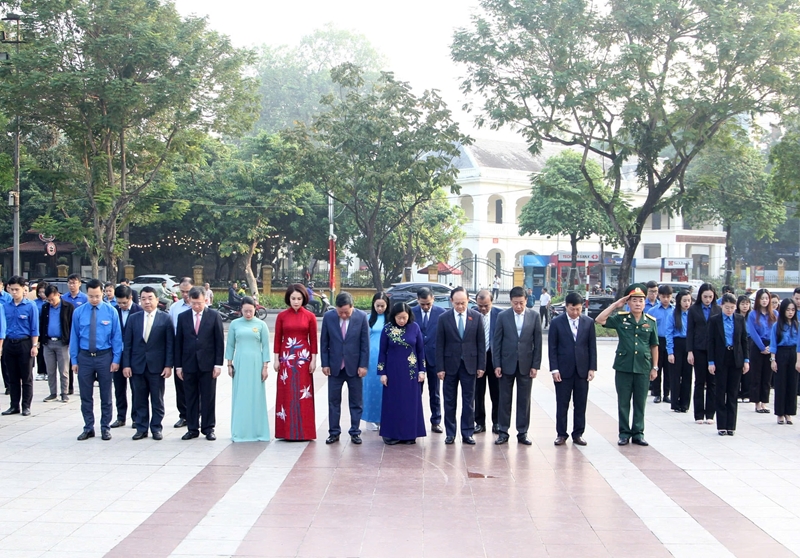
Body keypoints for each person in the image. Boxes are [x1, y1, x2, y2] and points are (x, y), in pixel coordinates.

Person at [596, 284, 659, 446]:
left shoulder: (651, 322)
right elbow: (599, 319)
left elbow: (654, 345)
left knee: (640, 401)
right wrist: (616, 304)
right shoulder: (621, 319)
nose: (638, 304)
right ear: (628, 303)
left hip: (643, 367)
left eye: (641, 301)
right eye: (634, 301)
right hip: (623, 367)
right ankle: (624, 433)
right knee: (623, 401)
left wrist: (655, 367)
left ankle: (638, 433)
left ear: (645, 303)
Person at [70, 279, 123, 440]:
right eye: (91, 296)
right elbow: (74, 337)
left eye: (98, 296)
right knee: (86, 395)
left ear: (103, 293)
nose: (94, 299)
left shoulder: (111, 311)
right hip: (85, 357)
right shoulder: (78, 312)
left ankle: (105, 427)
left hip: (104, 357)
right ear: (87, 294)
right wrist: (74, 361)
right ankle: (88, 427)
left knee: (105, 395)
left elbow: (116, 337)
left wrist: (116, 359)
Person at [121, 286, 174, 440]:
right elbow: (128, 344)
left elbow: (170, 344)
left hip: (157, 366)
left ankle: (156, 428)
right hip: (137, 366)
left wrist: (168, 365)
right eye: (143, 298)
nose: (147, 302)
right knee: (139, 398)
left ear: (157, 300)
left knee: (157, 399)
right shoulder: (133, 318)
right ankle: (141, 428)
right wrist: (126, 365)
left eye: (150, 298)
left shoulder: (165, 318)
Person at [436, 286, 485, 445]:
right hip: (449, 365)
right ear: (451, 301)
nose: (460, 306)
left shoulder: (476, 317)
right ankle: (450, 433)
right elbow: (440, 345)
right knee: (449, 401)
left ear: (468, 300)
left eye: (463, 303)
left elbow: (480, 343)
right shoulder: (444, 318)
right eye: (457, 303)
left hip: (470, 364)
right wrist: (440, 367)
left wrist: (481, 366)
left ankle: (467, 432)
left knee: (468, 401)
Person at [174, 286, 224, 441]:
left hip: (208, 364)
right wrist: (179, 366)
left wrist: (218, 365)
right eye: (193, 303)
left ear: (206, 300)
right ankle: (192, 428)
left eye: (199, 303)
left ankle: (208, 428)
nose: (196, 306)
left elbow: (219, 342)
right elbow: (179, 343)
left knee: (208, 396)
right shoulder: (183, 317)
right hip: (188, 364)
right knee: (190, 397)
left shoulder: (214, 316)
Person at [493, 285, 541, 445]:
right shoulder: (503, 316)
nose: (518, 306)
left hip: (526, 364)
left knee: (524, 400)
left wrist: (535, 365)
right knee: (504, 399)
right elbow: (497, 342)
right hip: (506, 363)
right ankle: (503, 431)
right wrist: (497, 364)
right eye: (515, 303)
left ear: (526, 301)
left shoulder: (534, 316)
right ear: (510, 302)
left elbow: (538, 343)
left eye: (521, 303)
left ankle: (522, 432)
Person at [320, 292, 369, 445]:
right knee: (333, 401)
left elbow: (365, 344)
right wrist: (325, 363)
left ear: (352, 308)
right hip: (334, 367)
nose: (343, 315)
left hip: (354, 367)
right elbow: (324, 342)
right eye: (340, 312)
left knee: (356, 401)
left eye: (346, 312)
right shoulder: (329, 317)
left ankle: (355, 431)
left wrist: (363, 365)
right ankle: (334, 432)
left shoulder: (361, 317)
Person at [549, 292, 597, 446]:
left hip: (582, 370)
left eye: (578, 309)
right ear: (566, 307)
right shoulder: (557, 322)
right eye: (572, 309)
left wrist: (592, 367)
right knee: (562, 403)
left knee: (580, 403)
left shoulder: (588, 322)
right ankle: (561, 434)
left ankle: (578, 433)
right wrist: (554, 369)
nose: (575, 312)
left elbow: (592, 347)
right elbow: (552, 348)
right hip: (563, 370)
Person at [377, 302, 427, 444]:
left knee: (410, 403)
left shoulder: (415, 328)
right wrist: (383, 372)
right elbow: (382, 351)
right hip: (392, 371)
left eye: (404, 318)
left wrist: (422, 371)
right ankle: (392, 434)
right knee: (393, 402)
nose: (402, 321)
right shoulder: (387, 329)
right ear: (394, 316)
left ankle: (409, 434)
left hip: (411, 371)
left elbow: (420, 350)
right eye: (399, 318)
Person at [273, 284, 318, 441]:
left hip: (303, 358)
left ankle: (305, 431)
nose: (296, 302)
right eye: (293, 298)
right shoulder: (282, 316)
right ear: (288, 299)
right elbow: (278, 338)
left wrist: (313, 360)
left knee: (303, 394)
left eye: (299, 298)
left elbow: (313, 339)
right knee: (287, 392)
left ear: (304, 298)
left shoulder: (310, 317)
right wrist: (276, 358)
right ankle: (286, 431)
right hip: (286, 358)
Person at [225, 296, 271, 442]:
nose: (248, 314)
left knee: (257, 396)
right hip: (240, 363)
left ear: (255, 310)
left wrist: (265, 367)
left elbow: (266, 347)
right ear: (241, 310)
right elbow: (230, 345)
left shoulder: (261, 325)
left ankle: (258, 432)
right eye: (245, 311)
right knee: (241, 396)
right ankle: (240, 432)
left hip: (256, 363)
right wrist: (229, 364)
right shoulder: (235, 324)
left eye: (251, 311)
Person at [708, 293, 749, 436]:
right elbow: (710, 342)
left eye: (732, 307)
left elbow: (744, 341)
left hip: (736, 357)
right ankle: (721, 425)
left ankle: (731, 425)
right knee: (720, 391)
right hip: (721, 357)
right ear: (721, 306)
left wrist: (746, 360)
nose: (729, 310)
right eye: (727, 307)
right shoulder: (714, 320)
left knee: (733, 392)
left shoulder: (740, 319)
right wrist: (711, 362)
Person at [1, 276, 39, 417]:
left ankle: (26, 406)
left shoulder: (30, 306)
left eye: (17, 289)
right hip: (10, 343)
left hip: (25, 343)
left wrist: (34, 345)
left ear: (24, 289)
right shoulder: (5, 306)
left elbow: (35, 328)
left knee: (26, 377)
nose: (14, 292)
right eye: (12, 290)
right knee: (12, 377)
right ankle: (14, 406)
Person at [412, 287, 446, 433]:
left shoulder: (442, 314)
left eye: (428, 304)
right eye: (422, 304)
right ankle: (414, 419)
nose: (425, 307)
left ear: (433, 299)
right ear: (418, 300)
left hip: (434, 357)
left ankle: (436, 421)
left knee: (435, 391)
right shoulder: (411, 313)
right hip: (415, 359)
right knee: (414, 391)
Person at [687, 283, 720, 425]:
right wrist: (690, 351)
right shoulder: (694, 309)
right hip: (698, 348)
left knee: (712, 383)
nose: (708, 299)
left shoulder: (718, 309)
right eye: (705, 297)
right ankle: (699, 414)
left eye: (710, 297)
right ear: (700, 296)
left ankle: (710, 414)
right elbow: (690, 331)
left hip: (714, 351)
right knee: (699, 382)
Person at [111, 285, 142, 429]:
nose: (122, 305)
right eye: (119, 302)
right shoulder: (114, 311)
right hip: (118, 355)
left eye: (124, 302)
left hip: (135, 356)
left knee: (136, 388)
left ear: (130, 298)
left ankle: (136, 417)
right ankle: (120, 416)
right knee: (119, 388)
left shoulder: (139, 311)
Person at [474, 289, 502, 434]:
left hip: (494, 359)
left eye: (486, 305)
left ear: (492, 302)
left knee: (496, 392)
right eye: (480, 305)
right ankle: (479, 422)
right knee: (477, 393)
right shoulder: (471, 314)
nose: (483, 309)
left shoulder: (500, 315)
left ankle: (497, 422)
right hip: (477, 359)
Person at [40, 286, 74, 403]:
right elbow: (42, 324)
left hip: (62, 343)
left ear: (57, 295)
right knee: (50, 370)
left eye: (52, 299)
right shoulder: (45, 307)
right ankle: (52, 393)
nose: (50, 302)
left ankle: (64, 393)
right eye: (48, 300)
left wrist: (70, 341)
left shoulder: (68, 307)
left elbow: (71, 325)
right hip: (48, 342)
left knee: (64, 370)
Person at [769, 299, 799, 426]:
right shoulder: (777, 325)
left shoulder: (797, 325)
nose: (790, 312)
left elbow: (799, 345)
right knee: (780, 384)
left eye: (793, 310)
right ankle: (780, 413)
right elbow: (773, 343)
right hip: (781, 353)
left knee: (792, 385)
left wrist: (798, 361)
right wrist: (773, 360)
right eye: (788, 310)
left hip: (794, 353)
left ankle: (789, 413)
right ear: (783, 310)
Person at [169, 278, 193, 428]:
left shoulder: (200, 306)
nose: (185, 294)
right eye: (182, 292)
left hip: (196, 351)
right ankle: (183, 415)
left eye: (188, 291)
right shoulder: (175, 308)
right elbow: (171, 330)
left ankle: (197, 413)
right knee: (180, 383)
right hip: (180, 349)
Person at [747, 288, 776, 414]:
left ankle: (764, 402)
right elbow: (752, 333)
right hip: (758, 346)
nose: (764, 301)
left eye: (766, 298)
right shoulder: (753, 314)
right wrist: (762, 348)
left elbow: (777, 332)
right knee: (756, 375)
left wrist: (771, 347)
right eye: (762, 298)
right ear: (758, 300)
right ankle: (757, 403)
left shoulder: (775, 314)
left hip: (771, 346)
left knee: (767, 376)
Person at [363, 293, 389, 430]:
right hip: (372, 357)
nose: (380, 308)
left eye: (382, 306)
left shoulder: (391, 319)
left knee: (385, 388)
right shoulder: (368, 319)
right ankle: (370, 418)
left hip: (387, 356)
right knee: (371, 387)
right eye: (377, 306)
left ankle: (385, 418)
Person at [666, 290, 692, 413]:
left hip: (689, 345)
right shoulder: (673, 314)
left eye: (689, 300)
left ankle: (685, 404)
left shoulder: (692, 314)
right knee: (675, 376)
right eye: (684, 300)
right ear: (679, 301)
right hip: (677, 345)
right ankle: (675, 403)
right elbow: (669, 333)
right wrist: (670, 352)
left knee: (687, 375)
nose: (687, 303)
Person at [647, 284, 673, 404]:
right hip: (657, 342)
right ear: (659, 296)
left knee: (669, 370)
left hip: (670, 342)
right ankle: (657, 393)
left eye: (668, 296)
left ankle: (666, 394)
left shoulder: (674, 310)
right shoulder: (653, 311)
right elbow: (649, 329)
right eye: (663, 296)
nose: (666, 299)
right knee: (656, 367)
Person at [63, 273, 88, 395]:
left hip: (81, 331)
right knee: (68, 360)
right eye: (70, 283)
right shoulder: (64, 298)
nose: (72, 285)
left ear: (79, 284)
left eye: (74, 283)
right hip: (67, 331)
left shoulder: (84, 299)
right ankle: (69, 386)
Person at [735, 295, 752, 402]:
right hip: (738, 342)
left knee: (747, 368)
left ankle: (746, 392)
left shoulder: (752, 316)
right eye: (742, 304)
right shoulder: (735, 316)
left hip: (749, 341)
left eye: (747, 304)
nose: (745, 306)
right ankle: (737, 392)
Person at [33, 282, 48, 382]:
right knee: (39, 351)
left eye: (43, 292)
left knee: (47, 352)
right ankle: (40, 372)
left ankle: (47, 372)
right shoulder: (34, 303)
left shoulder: (50, 302)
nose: (41, 294)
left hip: (47, 329)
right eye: (40, 292)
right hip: (38, 328)